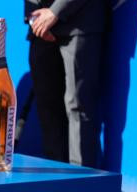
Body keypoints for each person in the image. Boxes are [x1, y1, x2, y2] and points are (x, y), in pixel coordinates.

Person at [25, 0, 108, 168]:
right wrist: (34, 17)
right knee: (47, 107)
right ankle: (54, 178)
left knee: (77, 105)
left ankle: (81, 181)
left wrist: (55, 12)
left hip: (80, 23)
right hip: (40, 27)